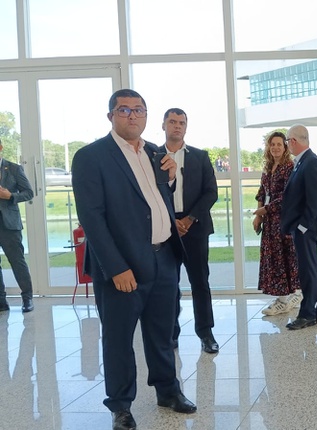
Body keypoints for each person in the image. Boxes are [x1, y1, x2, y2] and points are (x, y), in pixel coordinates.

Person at [72, 89, 197, 430]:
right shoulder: (91, 157)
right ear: (110, 116)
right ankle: (120, 406)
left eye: (139, 110)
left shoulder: (155, 152)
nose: (132, 115)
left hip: (164, 258)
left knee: (162, 334)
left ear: (146, 116)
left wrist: (170, 179)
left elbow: (155, 198)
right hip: (123, 267)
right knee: (119, 339)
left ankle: (168, 391)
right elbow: (92, 218)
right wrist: (116, 267)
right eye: (124, 109)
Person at [162, 108, 220, 354]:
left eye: (182, 122)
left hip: (195, 228)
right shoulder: (153, 156)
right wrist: (171, 221)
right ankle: (171, 333)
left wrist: (189, 219)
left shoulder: (200, 156)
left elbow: (211, 192)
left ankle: (206, 333)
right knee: (168, 284)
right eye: (172, 122)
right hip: (165, 229)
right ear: (164, 125)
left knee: (200, 282)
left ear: (186, 127)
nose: (177, 126)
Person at [280, 125, 317, 330]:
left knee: (307, 271)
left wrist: (302, 227)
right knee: (314, 267)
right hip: (303, 226)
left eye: (287, 141)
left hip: (306, 227)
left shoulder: (311, 163)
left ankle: (308, 313)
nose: (287, 145)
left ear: (293, 141)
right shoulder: (303, 162)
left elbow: (314, 200)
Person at [253, 131, 302, 315]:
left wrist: (266, 210)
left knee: (286, 259)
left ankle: (289, 297)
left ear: (285, 147)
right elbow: (261, 192)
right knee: (273, 260)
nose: (275, 147)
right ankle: (284, 297)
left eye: (279, 144)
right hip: (269, 223)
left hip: (284, 221)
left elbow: (288, 196)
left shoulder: (289, 167)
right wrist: (259, 216)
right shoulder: (268, 167)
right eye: (272, 144)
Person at [0, 138, 35, 313]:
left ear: (0, 147)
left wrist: (11, 196)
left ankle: (27, 298)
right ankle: (1, 301)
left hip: (9, 225)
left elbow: (29, 193)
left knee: (17, 262)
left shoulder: (13, 168)